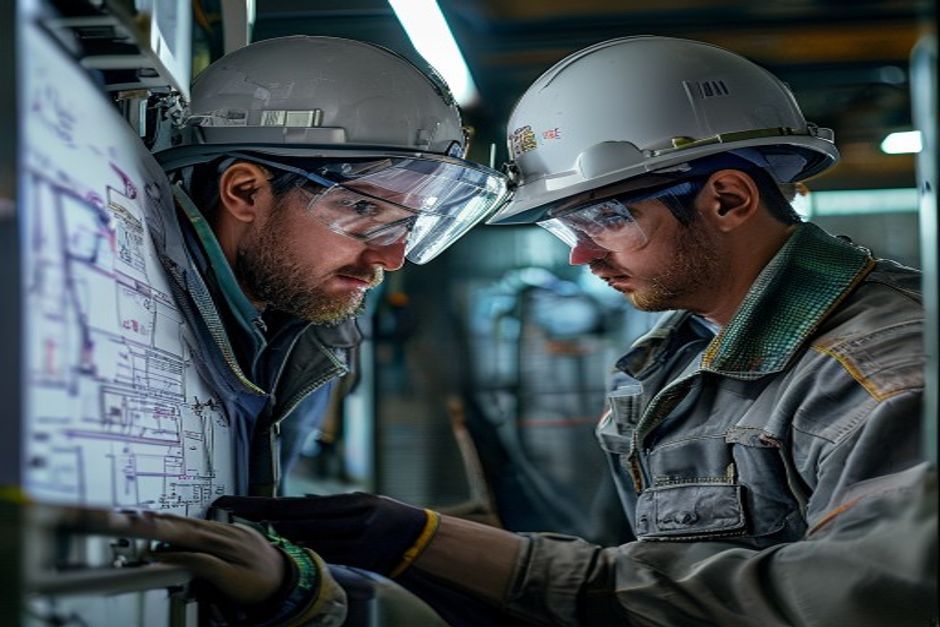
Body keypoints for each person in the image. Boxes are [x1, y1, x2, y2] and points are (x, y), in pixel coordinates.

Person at [93, 36, 936, 626]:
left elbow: (873, 601)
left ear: (726, 199)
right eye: (560, 229)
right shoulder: (681, 365)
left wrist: (438, 545)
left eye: (602, 218)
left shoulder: (886, 369)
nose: (579, 260)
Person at [88, 34, 507, 625]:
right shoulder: (122, 294)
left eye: (406, 226)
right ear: (245, 191)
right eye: (364, 212)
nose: (391, 258)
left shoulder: (317, 329)